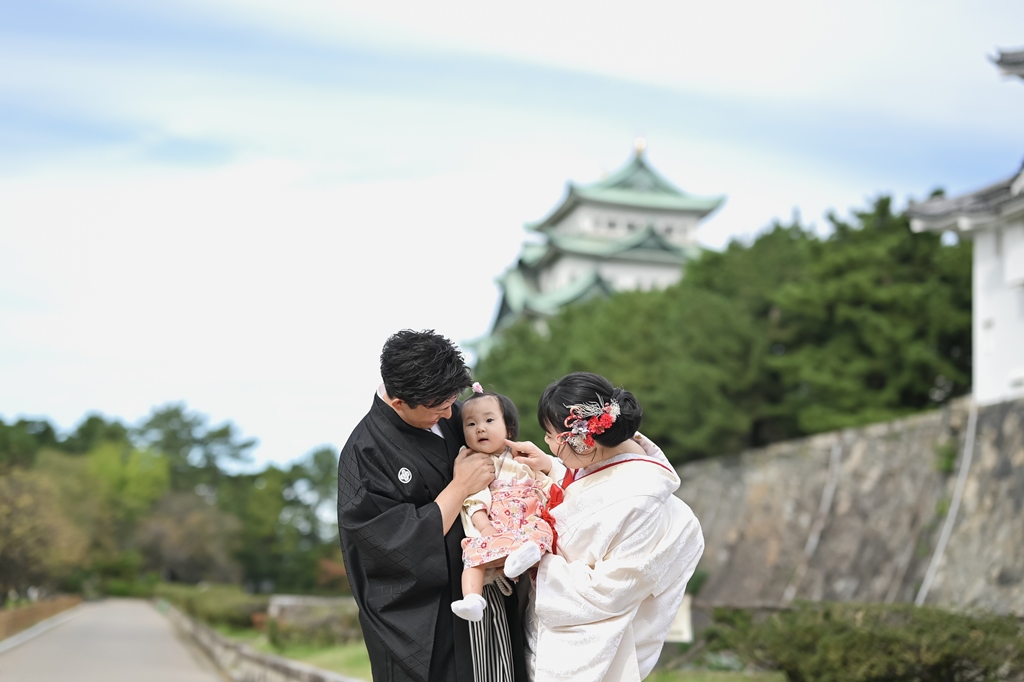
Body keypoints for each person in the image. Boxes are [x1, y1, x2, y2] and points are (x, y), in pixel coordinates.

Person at [336, 330, 527, 682]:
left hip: (484, 592)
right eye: (437, 408)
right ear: (398, 402)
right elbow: (386, 545)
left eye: (450, 402)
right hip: (423, 617)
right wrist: (459, 488)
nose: (446, 414)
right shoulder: (365, 453)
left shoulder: (454, 413)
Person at [506, 371, 705, 682]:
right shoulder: (619, 465)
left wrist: (539, 564)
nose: (545, 441)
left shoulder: (641, 497)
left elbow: (612, 590)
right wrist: (551, 464)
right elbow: (593, 485)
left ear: (581, 438)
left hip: (583, 654)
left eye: (549, 435)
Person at [450, 383, 556, 623]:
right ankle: (472, 599)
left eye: (488, 421)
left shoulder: (522, 460)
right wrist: (484, 526)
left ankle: (521, 559)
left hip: (524, 524)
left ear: (508, 428)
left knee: (541, 531)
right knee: (473, 555)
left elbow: (547, 486)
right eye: (471, 424)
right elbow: (473, 500)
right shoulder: (474, 464)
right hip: (494, 526)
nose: (480, 429)